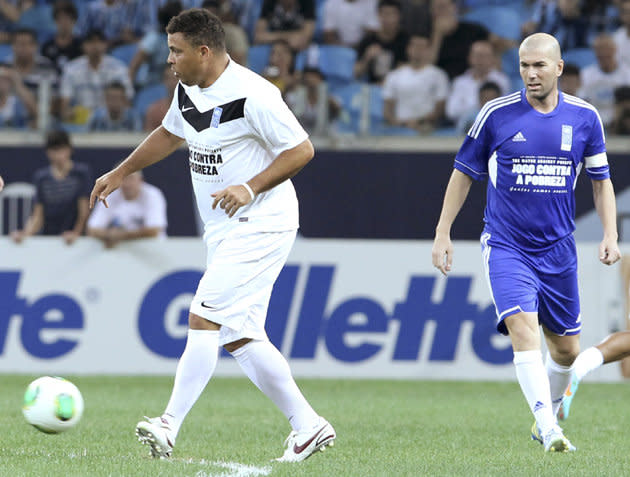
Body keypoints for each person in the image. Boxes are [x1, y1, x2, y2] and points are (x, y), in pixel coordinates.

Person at [89, 8, 335, 462]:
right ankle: (308, 426)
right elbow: (170, 132)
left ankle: (168, 424)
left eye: (176, 52)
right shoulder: (189, 87)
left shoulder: (254, 94)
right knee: (239, 336)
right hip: (222, 227)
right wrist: (122, 171)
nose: (170, 60)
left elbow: (302, 149)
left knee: (203, 317)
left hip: (263, 222)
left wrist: (249, 186)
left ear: (204, 51)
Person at [431, 32, 620, 453]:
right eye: (523, 65)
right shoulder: (495, 114)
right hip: (506, 245)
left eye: (538, 66)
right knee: (522, 328)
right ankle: (548, 428)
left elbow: (601, 182)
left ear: (558, 68)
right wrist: (443, 231)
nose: (530, 74)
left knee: (567, 349)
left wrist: (610, 233)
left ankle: (547, 415)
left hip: (558, 249)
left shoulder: (585, 118)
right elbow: (463, 173)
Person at [12, 129, 91, 244]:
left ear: (69, 149)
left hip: (76, 241)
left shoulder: (81, 174)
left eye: (62, 149)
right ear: (48, 152)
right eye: (54, 150)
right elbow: (38, 215)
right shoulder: (41, 178)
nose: (58, 155)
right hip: (49, 239)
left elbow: (84, 210)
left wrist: (76, 233)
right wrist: (25, 234)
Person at [59, 29, 134, 125]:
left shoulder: (118, 68)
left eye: (99, 41)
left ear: (105, 45)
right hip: (81, 121)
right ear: (83, 46)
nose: (95, 46)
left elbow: (127, 101)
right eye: (90, 42)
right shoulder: (71, 69)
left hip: (110, 121)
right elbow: (64, 105)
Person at [382, 33, 448, 133]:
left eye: (422, 47)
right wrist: (400, 123)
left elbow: (440, 108)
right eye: (415, 46)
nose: (418, 50)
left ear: (429, 50)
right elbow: (388, 108)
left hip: (426, 127)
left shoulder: (439, 75)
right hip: (399, 126)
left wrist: (419, 122)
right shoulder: (394, 76)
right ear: (408, 49)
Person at [87, 170, 167, 248]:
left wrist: (120, 235)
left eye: (131, 178)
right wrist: (109, 235)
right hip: (118, 252)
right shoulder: (109, 195)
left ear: (141, 180)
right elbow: (92, 229)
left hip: (151, 249)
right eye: (123, 179)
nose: (127, 184)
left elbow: (154, 231)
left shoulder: (152, 195)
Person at [445, 40, 510, 126]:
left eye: (485, 56)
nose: (481, 60)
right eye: (478, 56)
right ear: (469, 58)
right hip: (465, 129)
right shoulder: (459, 82)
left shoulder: (502, 80)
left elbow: (506, 109)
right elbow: (451, 111)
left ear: (493, 58)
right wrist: (477, 109)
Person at [578, 34, 630, 128]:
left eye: (607, 50)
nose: (603, 53)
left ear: (614, 50)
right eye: (600, 50)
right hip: (594, 123)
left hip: (619, 124)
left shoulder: (627, 74)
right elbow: (582, 102)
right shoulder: (586, 74)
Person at [354, 0, 409, 84]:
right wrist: (367, 58)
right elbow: (356, 73)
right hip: (372, 87)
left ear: (399, 16)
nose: (389, 19)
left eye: (392, 14)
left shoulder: (406, 40)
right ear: (378, 15)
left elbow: (408, 72)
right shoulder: (368, 40)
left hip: (397, 87)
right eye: (385, 14)